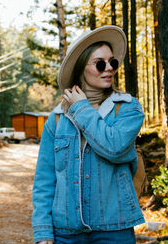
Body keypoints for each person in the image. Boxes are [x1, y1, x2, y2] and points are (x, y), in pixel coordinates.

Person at [32, 25, 145, 244]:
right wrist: (43, 230)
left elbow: (115, 148)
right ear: (81, 68)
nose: (109, 68)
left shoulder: (128, 108)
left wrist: (81, 108)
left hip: (115, 229)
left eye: (112, 62)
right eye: (100, 63)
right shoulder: (57, 118)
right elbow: (45, 179)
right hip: (65, 232)